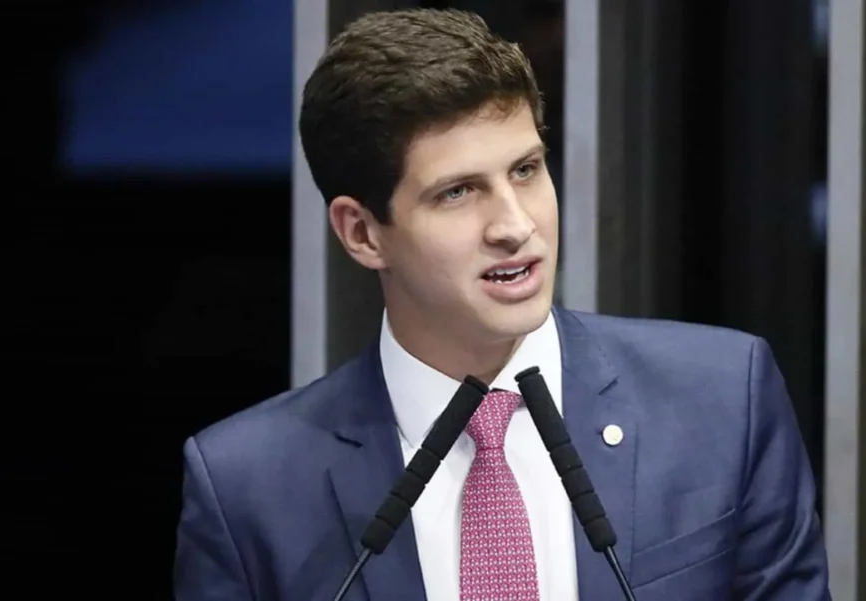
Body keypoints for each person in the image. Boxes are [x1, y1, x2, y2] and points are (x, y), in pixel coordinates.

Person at [172, 8, 830, 600]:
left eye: (525, 170)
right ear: (363, 232)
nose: (515, 225)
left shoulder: (721, 401)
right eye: (458, 192)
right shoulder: (248, 488)